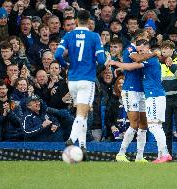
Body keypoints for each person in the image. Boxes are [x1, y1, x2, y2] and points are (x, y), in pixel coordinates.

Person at [109, 39, 172, 163]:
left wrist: (114, 62)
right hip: (153, 95)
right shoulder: (151, 60)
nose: (140, 54)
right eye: (139, 51)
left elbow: (131, 66)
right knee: (154, 125)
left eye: (142, 51)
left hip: (154, 95)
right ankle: (159, 155)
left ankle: (164, 153)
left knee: (153, 125)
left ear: (147, 48)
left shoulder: (149, 59)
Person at [55, 10, 107, 155]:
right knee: (82, 113)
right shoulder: (94, 36)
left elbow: (57, 54)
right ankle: (72, 138)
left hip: (72, 80)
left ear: (77, 20)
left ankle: (83, 147)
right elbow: (102, 60)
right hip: (87, 79)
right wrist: (92, 64)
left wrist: (65, 65)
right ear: (89, 21)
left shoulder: (69, 35)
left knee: (82, 113)